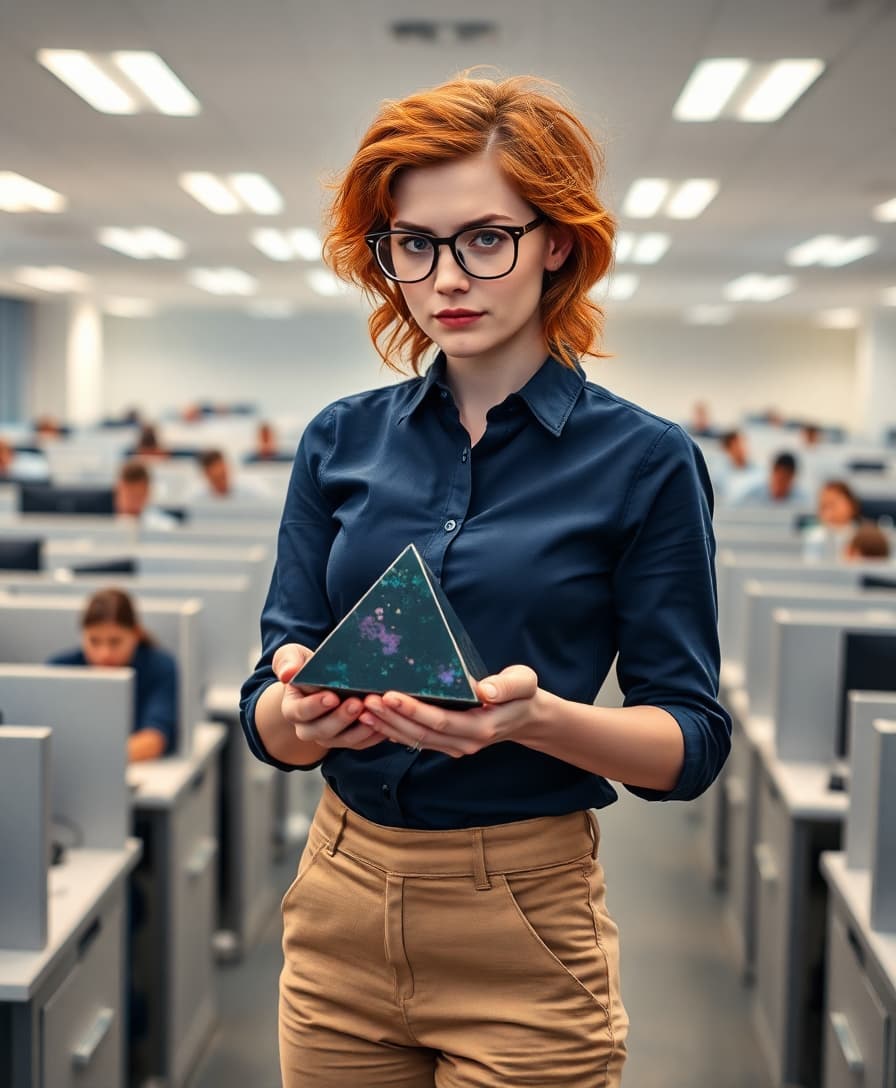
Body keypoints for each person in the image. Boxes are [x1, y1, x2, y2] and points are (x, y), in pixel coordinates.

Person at [239, 73, 731, 1088]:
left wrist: (531, 717)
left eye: (482, 238)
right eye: (412, 243)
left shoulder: (643, 460)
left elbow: (686, 740)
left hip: (522, 913)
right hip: (337, 898)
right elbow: (266, 706)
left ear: (556, 240)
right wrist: (298, 710)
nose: (445, 277)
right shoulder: (338, 440)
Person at [48, 588, 178, 762]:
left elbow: (153, 741)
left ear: (135, 634)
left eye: (115, 642)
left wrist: (89, 760)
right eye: (94, 641)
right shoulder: (59, 670)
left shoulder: (160, 667)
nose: (104, 654)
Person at [802, 479, 861, 560]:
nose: (828, 512)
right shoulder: (813, 536)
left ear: (850, 504)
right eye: (823, 506)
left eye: (833, 504)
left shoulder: (863, 536)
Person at [114, 459, 179, 530]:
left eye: (137, 496)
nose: (132, 502)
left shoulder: (165, 526)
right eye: (127, 496)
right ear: (117, 491)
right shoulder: (102, 521)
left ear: (148, 493)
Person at [731, 450, 809, 507]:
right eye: (779, 479)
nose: (781, 485)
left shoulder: (801, 500)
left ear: (792, 478)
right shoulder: (752, 495)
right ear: (773, 473)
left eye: (785, 480)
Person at [188, 448, 270, 500]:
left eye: (223, 476)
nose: (221, 483)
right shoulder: (197, 496)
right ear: (206, 476)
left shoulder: (252, 488)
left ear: (228, 468)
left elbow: (268, 507)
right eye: (216, 479)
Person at [715, 429, 762, 504]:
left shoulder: (759, 472)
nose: (742, 448)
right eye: (737, 445)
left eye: (743, 443)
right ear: (728, 449)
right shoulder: (719, 475)